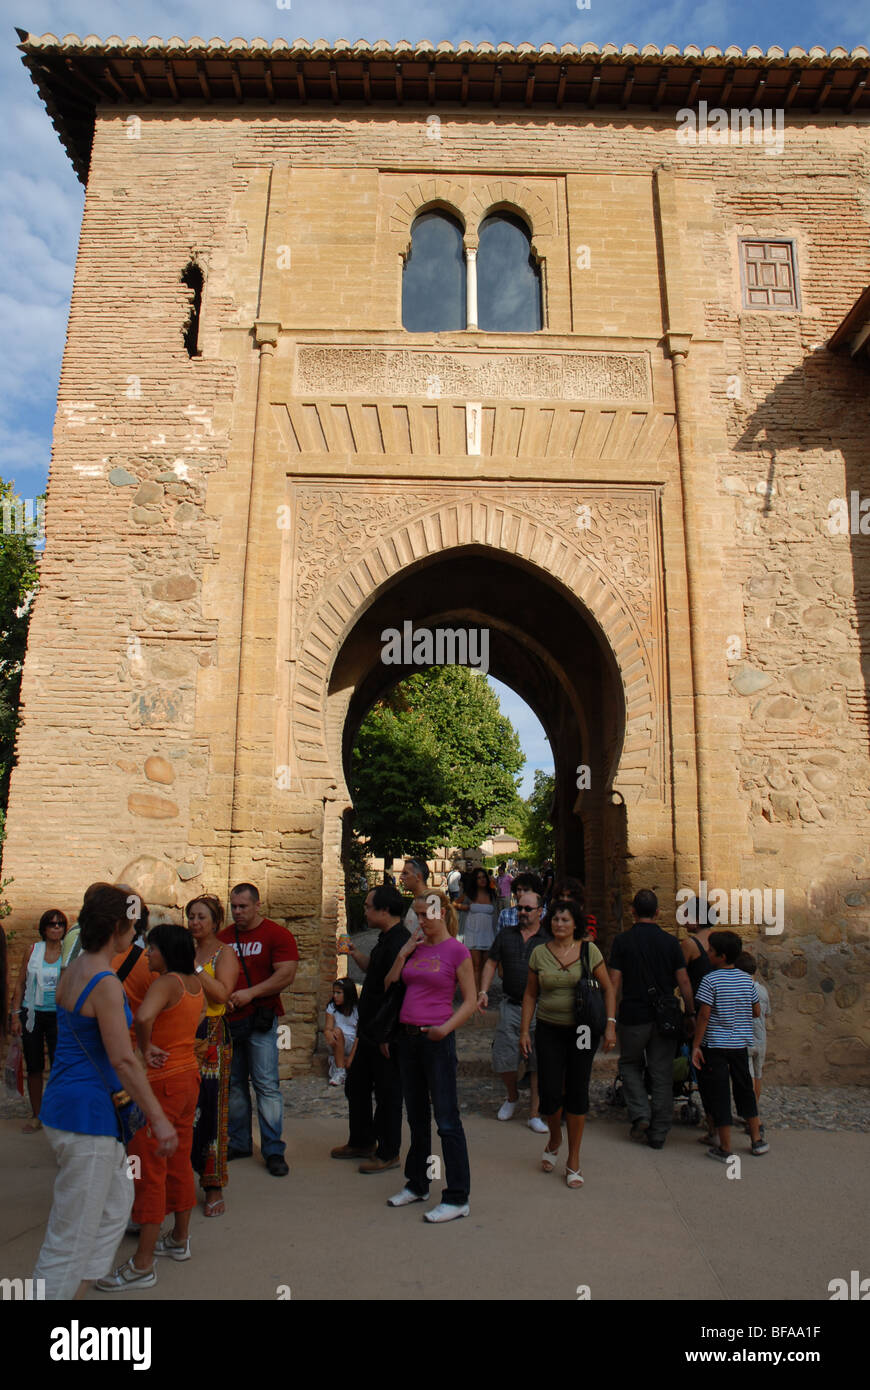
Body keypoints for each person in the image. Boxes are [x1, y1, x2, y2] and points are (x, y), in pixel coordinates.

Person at [33, 885, 177, 1300]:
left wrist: (141, 1049)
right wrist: (159, 1119)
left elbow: (104, 1042)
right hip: (87, 1120)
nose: (135, 935)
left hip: (72, 1109)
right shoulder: (104, 983)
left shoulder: (75, 969)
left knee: (115, 1208)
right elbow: (122, 1061)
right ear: (117, 927)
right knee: (69, 1237)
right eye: (132, 926)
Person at [97, 923, 205, 1289]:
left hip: (160, 1083)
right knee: (179, 1159)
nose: (148, 955)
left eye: (152, 949)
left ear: (167, 951)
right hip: (187, 1077)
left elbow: (143, 1018)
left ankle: (142, 1264)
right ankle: (179, 1239)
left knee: (148, 1168)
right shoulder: (193, 984)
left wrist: (145, 1048)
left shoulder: (166, 983)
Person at [385, 890, 476, 1221]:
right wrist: (402, 954)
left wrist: (445, 1029)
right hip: (408, 1040)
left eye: (425, 915)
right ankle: (418, 1183)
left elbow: (469, 1001)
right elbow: (389, 985)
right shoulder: (416, 947)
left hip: (436, 1040)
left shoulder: (457, 951)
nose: (419, 921)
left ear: (441, 914)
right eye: (417, 914)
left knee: (447, 1120)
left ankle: (457, 1196)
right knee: (417, 1117)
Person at [520, 900, 616, 1187]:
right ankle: (555, 1138)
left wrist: (610, 1024)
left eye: (565, 920)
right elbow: (529, 994)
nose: (559, 924)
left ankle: (573, 1158)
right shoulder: (539, 953)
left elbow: (608, 987)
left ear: (576, 924)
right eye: (556, 920)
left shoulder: (589, 951)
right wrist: (525, 1030)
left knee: (577, 1088)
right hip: (549, 1029)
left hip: (583, 1029)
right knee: (549, 1092)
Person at [218, 882, 299, 1176]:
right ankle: (239, 1142)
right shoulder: (223, 938)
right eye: (234, 906)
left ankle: (273, 1149)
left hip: (260, 1020)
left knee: (266, 1084)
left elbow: (286, 974)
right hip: (230, 1021)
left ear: (256, 905)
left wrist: (252, 993)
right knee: (234, 1083)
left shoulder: (276, 935)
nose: (237, 912)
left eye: (243, 906)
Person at [607, 889, 695, 1150]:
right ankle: (659, 1131)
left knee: (630, 1065)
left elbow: (614, 982)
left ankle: (641, 1114)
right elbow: (684, 981)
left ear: (632, 911)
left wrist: (609, 1019)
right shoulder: (671, 943)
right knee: (662, 1072)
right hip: (665, 1018)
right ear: (658, 912)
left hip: (634, 1015)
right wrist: (689, 1013)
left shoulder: (622, 942)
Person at [333, 884, 410, 1172]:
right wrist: (354, 953)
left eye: (368, 906)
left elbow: (396, 993)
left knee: (388, 1093)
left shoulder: (399, 943)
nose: (364, 910)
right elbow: (375, 973)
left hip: (385, 1033)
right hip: (370, 1029)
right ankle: (362, 1140)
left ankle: (389, 1151)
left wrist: (388, 1035)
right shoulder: (385, 939)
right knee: (357, 1085)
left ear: (384, 910)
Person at [691, 931, 769, 1160]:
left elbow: (704, 1015)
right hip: (739, 1045)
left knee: (720, 1094)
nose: (708, 954)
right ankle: (756, 1139)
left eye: (711, 951)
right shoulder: (746, 980)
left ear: (721, 956)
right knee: (744, 1090)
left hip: (715, 1045)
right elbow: (756, 1011)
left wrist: (696, 1045)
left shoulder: (710, 980)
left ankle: (725, 1146)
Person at [478, 889, 550, 1132]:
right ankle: (512, 1097)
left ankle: (534, 1113)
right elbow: (491, 962)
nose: (521, 912)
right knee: (504, 1057)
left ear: (539, 911)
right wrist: (483, 991)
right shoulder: (506, 935)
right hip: (512, 1005)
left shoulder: (548, 939)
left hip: (541, 1008)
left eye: (527, 909)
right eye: (519, 908)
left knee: (539, 1062)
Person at [187, 894, 239, 1217]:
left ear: (215, 922)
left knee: (212, 1109)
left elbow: (222, 993)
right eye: (191, 916)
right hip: (184, 1035)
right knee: (183, 1108)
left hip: (212, 1036)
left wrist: (193, 968)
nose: (194, 922)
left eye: (201, 917)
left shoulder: (224, 952)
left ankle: (213, 1184)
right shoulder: (187, 950)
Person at [9, 909, 67, 1131]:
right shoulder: (33, 950)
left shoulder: (68, 951)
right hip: (32, 1012)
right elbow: (20, 983)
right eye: (52, 924)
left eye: (60, 924)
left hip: (58, 1015)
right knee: (33, 1066)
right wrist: (15, 1015)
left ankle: (58, 1115)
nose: (56, 928)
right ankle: (37, 1115)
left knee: (58, 1065)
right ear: (44, 928)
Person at [455, 866, 499, 993]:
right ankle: (474, 994)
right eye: (478, 878)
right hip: (472, 932)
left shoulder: (492, 894)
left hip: (488, 933)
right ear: (474, 880)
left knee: (486, 965)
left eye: (483, 877)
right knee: (476, 965)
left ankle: (482, 992)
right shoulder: (469, 894)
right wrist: (465, 907)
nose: (482, 880)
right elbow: (453, 904)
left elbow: (496, 911)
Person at [736, 951, 770, 1114]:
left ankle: (749, 1112)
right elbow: (767, 1013)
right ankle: (754, 1108)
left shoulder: (741, 989)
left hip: (746, 1037)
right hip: (761, 1038)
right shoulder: (763, 990)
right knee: (758, 1074)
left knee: (747, 1076)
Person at [325, 978, 359, 1086]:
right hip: (338, 1041)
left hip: (353, 1045)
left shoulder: (357, 1010)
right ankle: (340, 1070)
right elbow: (328, 1028)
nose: (335, 996)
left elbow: (359, 1035)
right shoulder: (332, 1007)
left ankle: (339, 1062)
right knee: (337, 1031)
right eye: (334, 992)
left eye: (338, 993)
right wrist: (328, 1034)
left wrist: (350, 1058)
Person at [400, 858, 429, 930]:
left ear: (418, 877)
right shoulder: (417, 900)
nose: (401, 877)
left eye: (405, 873)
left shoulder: (430, 902)